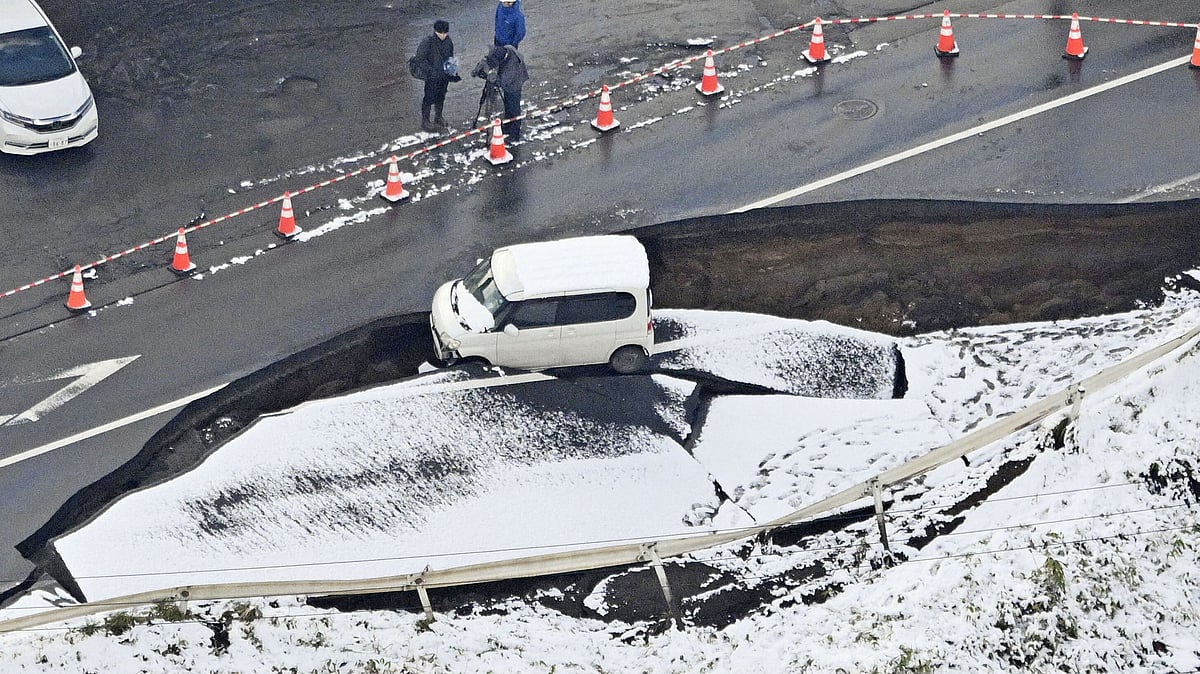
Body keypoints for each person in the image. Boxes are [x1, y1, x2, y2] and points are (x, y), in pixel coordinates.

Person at [474, 44, 529, 141]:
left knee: (514, 108)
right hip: (508, 81)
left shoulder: (511, 67)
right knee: (508, 105)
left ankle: (514, 134)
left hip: (514, 84)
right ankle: (507, 126)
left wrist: (488, 77)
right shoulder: (499, 51)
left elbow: (501, 82)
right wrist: (481, 65)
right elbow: (489, 58)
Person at [416, 20, 460, 132]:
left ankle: (438, 117)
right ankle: (425, 120)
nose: (443, 35)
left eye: (445, 33)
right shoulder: (428, 42)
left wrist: (452, 71)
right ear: (436, 31)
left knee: (441, 96)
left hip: (443, 76)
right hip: (431, 77)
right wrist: (431, 71)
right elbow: (420, 59)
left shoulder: (448, 41)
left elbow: (450, 57)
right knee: (429, 97)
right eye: (441, 33)